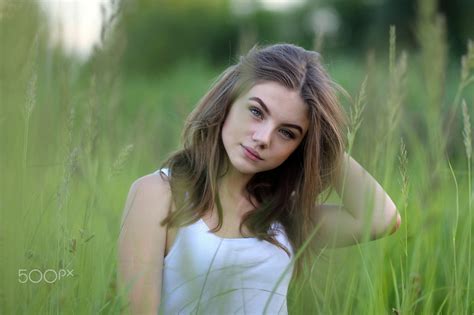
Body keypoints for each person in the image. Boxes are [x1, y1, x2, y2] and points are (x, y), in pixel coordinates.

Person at [117, 43, 401, 314]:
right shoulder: (158, 194)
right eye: (256, 112)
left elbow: (381, 219)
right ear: (227, 102)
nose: (263, 138)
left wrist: (325, 142)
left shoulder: (285, 216)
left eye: (287, 132)